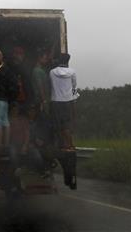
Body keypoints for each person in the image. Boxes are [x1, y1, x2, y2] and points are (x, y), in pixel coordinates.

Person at [49, 53, 78, 189]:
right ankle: (69, 144)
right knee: (67, 125)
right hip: (67, 101)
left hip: (56, 102)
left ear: (58, 60)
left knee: (59, 126)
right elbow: (74, 89)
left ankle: (65, 144)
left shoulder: (52, 72)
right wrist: (73, 103)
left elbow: (51, 86)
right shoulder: (72, 72)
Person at [31, 49, 51, 113]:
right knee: (43, 117)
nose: (46, 60)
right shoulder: (37, 71)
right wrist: (44, 100)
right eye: (45, 58)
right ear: (39, 58)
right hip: (40, 100)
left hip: (43, 99)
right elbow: (40, 86)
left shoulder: (41, 70)